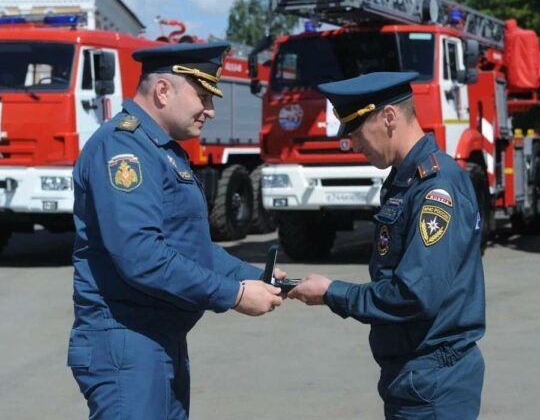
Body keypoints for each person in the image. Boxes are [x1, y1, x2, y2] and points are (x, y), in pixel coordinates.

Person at [67, 42, 284, 419]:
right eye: (203, 96)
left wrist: (254, 276)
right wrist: (234, 294)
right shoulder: (123, 148)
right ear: (163, 90)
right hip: (127, 343)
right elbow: (143, 256)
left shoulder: (159, 149)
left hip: (157, 338)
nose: (211, 110)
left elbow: (189, 246)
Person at [289, 72, 486, 419]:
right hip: (414, 373)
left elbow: (414, 294)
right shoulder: (405, 180)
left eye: (357, 132)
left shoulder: (435, 189)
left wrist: (333, 292)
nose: (353, 145)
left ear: (389, 117)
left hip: (432, 378)